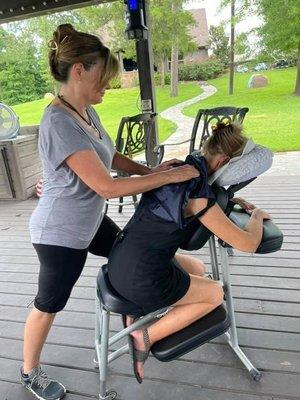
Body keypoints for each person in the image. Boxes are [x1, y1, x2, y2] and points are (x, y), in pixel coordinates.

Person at [20, 24, 200, 400]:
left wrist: (151, 172)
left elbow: (111, 158)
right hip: (60, 233)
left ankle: (131, 316)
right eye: (103, 77)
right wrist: (171, 178)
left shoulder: (84, 110)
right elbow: (107, 186)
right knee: (49, 302)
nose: (108, 87)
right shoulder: (58, 121)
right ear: (79, 70)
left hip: (88, 220)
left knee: (125, 252)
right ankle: (29, 372)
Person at [107, 122, 271, 383]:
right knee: (215, 293)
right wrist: (258, 216)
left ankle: (133, 315)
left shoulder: (175, 169)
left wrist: (228, 200)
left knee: (196, 268)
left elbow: (186, 204)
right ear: (225, 161)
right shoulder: (198, 198)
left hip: (119, 261)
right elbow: (247, 244)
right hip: (143, 279)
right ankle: (144, 336)